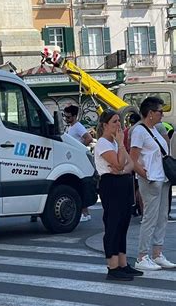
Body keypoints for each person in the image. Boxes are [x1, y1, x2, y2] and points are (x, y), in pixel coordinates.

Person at [130, 97, 176, 270]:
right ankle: (142, 256)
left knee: (162, 217)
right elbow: (133, 159)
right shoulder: (139, 131)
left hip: (162, 178)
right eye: (160, 111)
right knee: (150, 217)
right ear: (150, 113)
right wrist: (145, 175)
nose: (162, 115)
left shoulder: (155, 129)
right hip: (151, 180)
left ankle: (157, 253)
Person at [95, 109, 141, 281]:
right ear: (105, 125)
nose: (118, 125)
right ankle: (112, 266)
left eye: (119, 121)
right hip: (111, 186)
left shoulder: (114, 143)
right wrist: (121, 145)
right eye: (114, 121)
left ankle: (122, 263)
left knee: (123, 224)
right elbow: (119, 165)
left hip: (123, 184)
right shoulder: (103, 143)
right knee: (113, 225)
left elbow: (128, 164)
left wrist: (120, 167)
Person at [63, 104, 93, 222]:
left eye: (69, 117)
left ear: (75, 116)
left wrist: (79, 149)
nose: (66, 119)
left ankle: (84, 213)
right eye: (65, 116)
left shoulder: (77, 127)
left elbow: (88, 138)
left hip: (77, 159)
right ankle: (84, 212)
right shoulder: (71, 127)